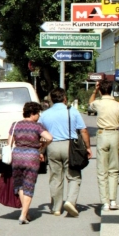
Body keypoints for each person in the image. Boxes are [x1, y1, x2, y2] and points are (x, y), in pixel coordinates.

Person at [39, 87, 90, 216]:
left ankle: (56, 208)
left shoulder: (45, 114)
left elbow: (39, 133)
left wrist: (41, 150)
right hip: (70, 146)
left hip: (52, 146)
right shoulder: (72, 111)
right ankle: (70, 202)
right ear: (65, 98)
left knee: (55, 177)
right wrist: (88, 147)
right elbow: (83, 130)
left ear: (51, 99)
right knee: (74, 176)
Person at [9, 102, 53, 224]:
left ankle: (25, 212)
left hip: (17, 156)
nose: (39, 116)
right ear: (33, 113)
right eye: (38, 113)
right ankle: (23, 215)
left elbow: (9, 142)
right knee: (29, 185)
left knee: (20, 185)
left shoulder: (15, 125)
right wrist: (42, 147)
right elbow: (49, 138)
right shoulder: (37, 126)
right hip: (32, 157)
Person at [89, 80, 119, 213]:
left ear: (100, 91)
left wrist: (94, 91)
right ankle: (113, 200)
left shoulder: (98, 103)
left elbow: (90, 103)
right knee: (114, 169)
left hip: (102, 134)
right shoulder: (118, 105)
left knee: (102, 170)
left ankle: (105, 202)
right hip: (114, 135)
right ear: (111, 91)